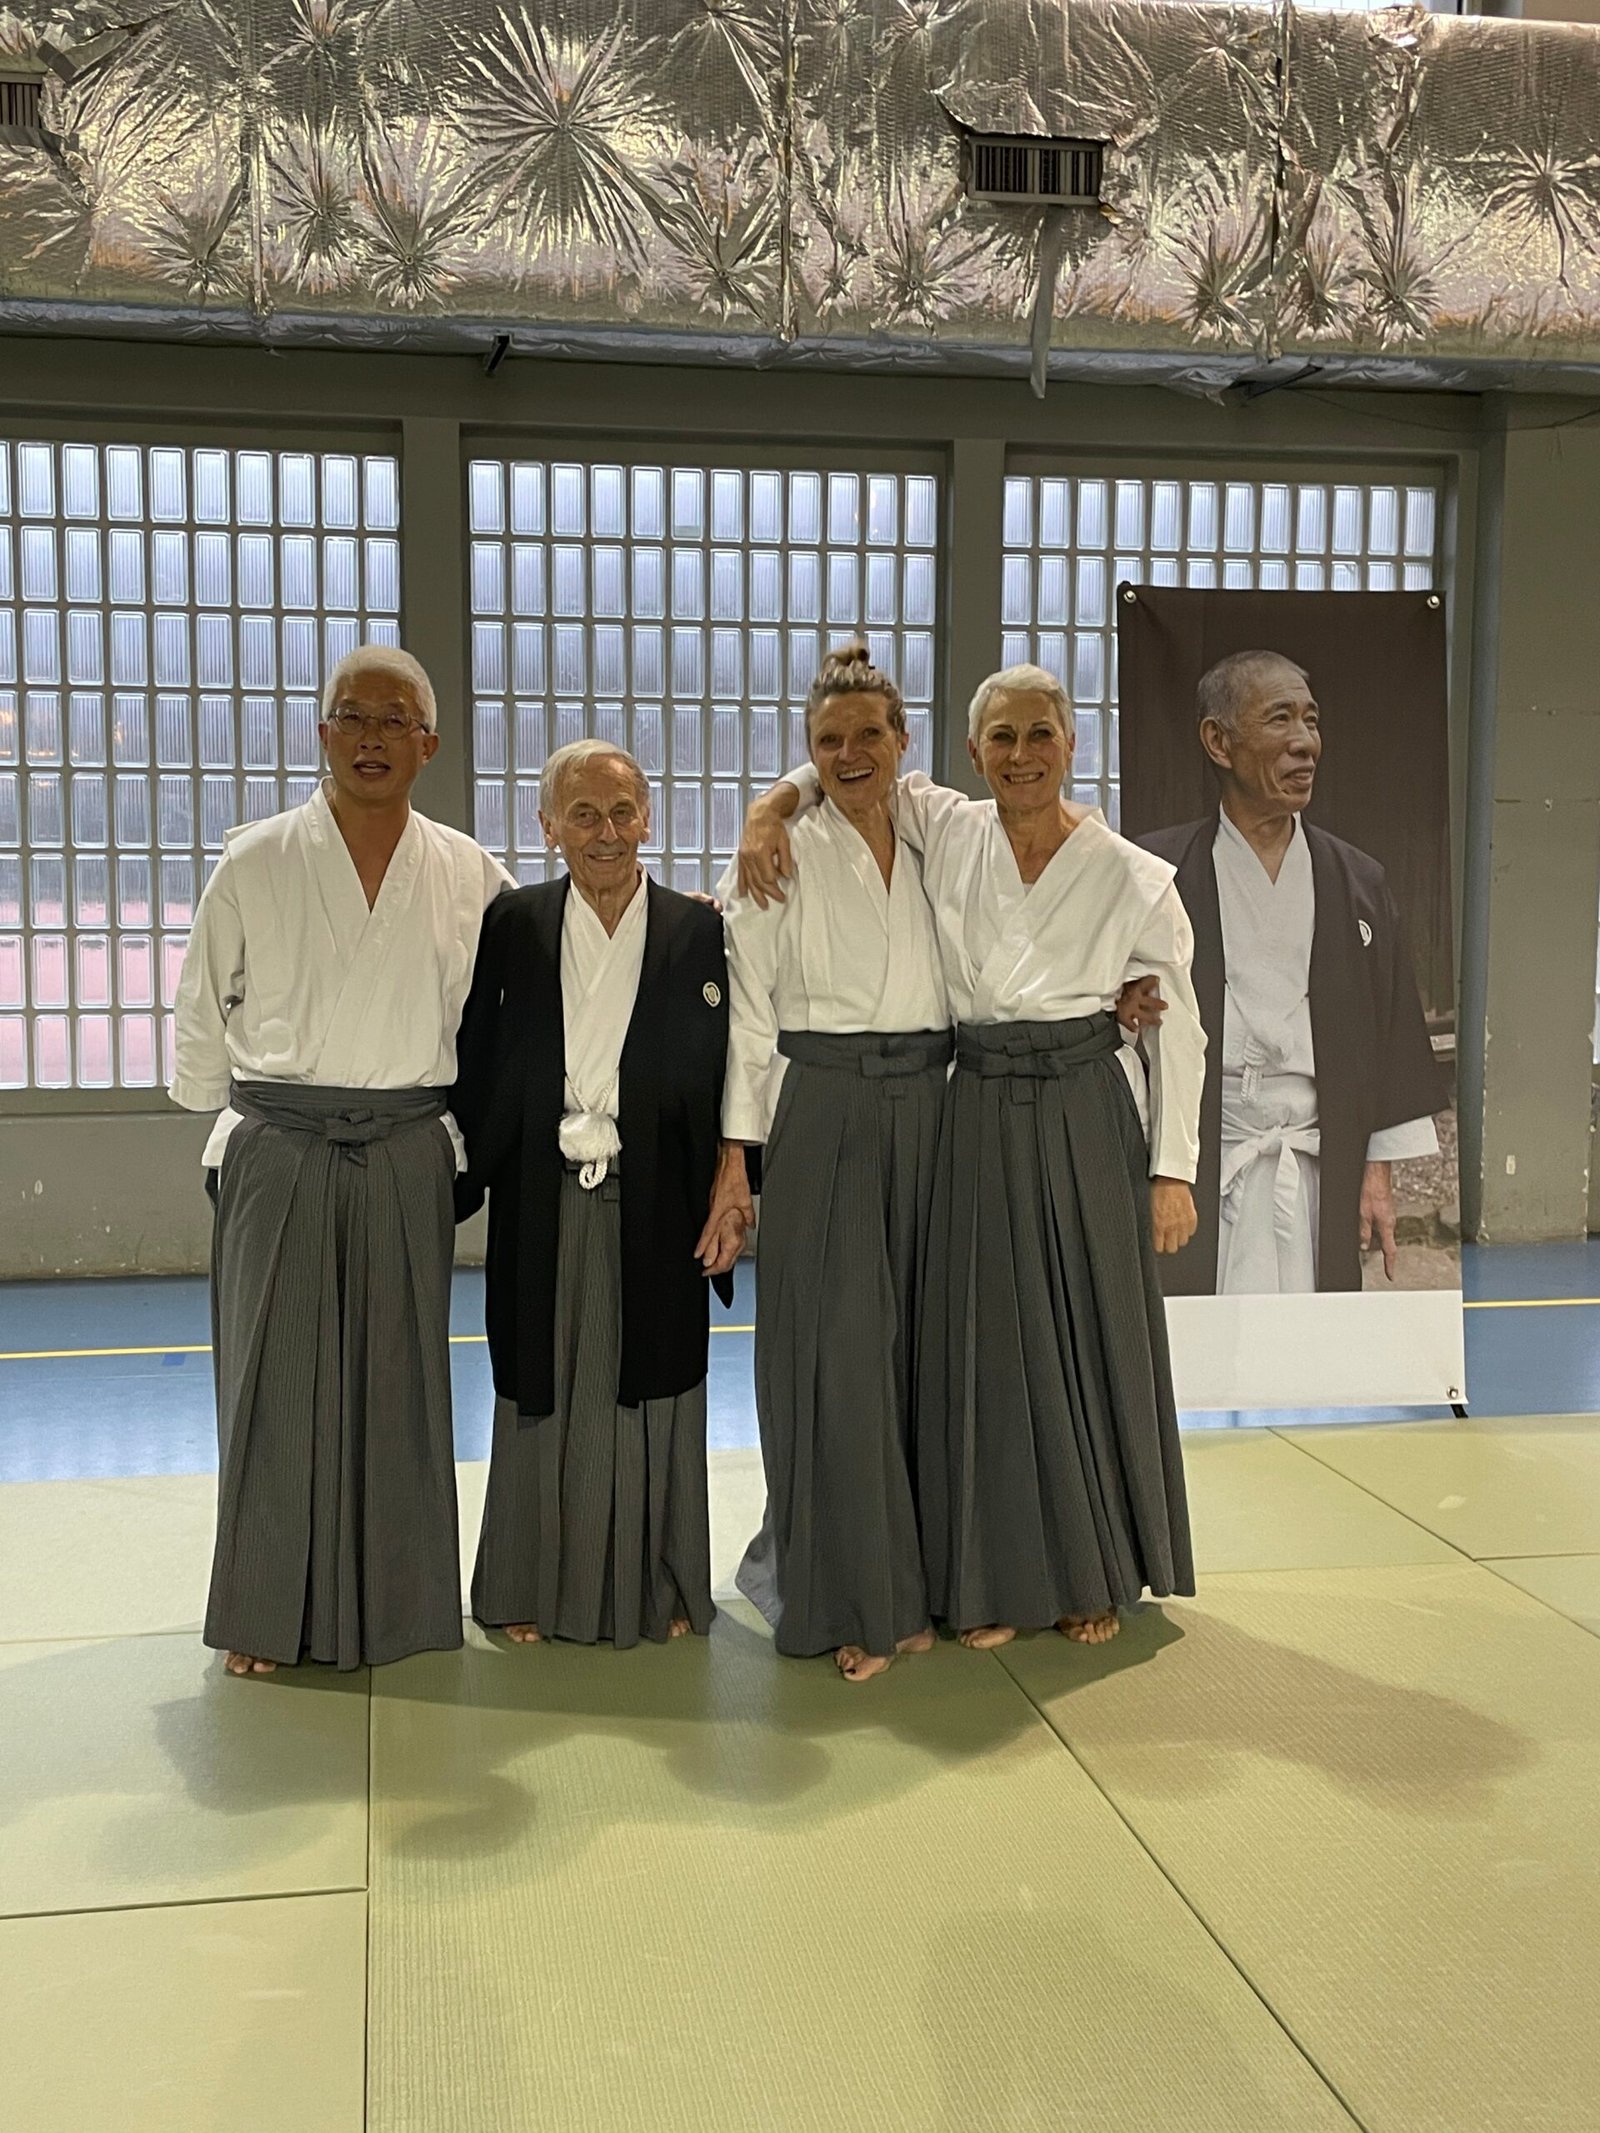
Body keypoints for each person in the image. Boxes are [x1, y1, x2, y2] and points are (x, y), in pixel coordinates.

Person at [738, 663, 1205, 1650]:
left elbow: (1181, 1029)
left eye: (1040, 735)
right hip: (978, 1104)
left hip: (1081, 1107)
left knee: (1083, 1335)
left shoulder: (1132, 874)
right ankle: (995, 1576)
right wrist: (767, 807)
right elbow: (842, 763)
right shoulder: (946, 825)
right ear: (970, 751)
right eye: (1002, 737)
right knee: (989, 1351)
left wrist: (1173, 1171)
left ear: (1072, 743)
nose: (1021, 755)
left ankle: (1090, 1574)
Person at [169, 645, 511, 1676]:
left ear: (428, 743)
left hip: (407, 1145)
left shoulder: (468, 871)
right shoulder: (258, 858)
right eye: (351, 717)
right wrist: (218, 1113)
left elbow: (537, 979)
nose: (371, 737)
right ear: (322, 734)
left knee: (400, 1388)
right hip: (280, 1142)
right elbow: (201, 1004)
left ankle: (399, 1606)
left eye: (394, 719)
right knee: (273, 1389)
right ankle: (264, 1613)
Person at [451, 740, 746, 1650]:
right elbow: (475, 1058)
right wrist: (462, 1168)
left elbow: (738, 1063)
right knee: (539, 1378)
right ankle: (525, 1583)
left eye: (622, 812)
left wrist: (734, 1178)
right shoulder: (514, 923)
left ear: (648, 818)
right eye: (583, 814)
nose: (606, 832)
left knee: (653, 1381)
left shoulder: (700, 931)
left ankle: (661, 1582)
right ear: (549, 827)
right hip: (543, 1190)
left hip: (659, 1191)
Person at [709, 643, 950, 1682]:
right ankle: (854, 1593)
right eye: (827, 742)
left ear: (904, 739)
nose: (850, 755)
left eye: (868, 735)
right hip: (824, 1106)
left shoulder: (941, 829)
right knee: (836, 1357)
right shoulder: (780, 853)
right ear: (807, 751)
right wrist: (738, 1164)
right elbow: (748, 1019)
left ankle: (936, 1574)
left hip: (937, 1107)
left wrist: (1126, 984)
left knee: (928, 1356)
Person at [1138, 650, 1444, 1296]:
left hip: (1316, 1160)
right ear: (1218, 741)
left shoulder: (1358, 881)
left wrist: (1377, 1173)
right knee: (1196, 1336)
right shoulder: (1156, 873)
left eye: (1312, 720)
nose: (1305, 743)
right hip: (1203, 1158)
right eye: (1280, 719)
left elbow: (1390, 1035)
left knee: (1313, 1337)